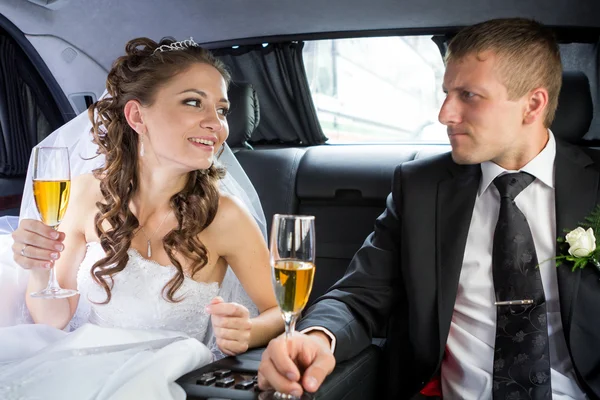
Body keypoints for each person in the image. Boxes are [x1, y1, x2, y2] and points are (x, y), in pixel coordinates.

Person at [258, 18, 600, 399]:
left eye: (469, 95)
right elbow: (358, 296)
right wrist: (318, 337)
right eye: (446, 93)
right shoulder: (420, 188)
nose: (445, 114)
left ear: (532, 105)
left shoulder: (595, 184)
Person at [1, 37, 283, 399]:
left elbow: (278, 312)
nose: (216, 124)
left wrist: (250, 330)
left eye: (223, 110)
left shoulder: (225, 217)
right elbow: (52, 319)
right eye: (193, 102)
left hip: (163, 377)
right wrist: (38, 268)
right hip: (76, 364)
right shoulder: (85, 194)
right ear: (136, 116)